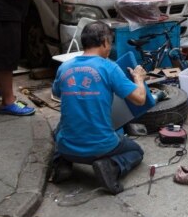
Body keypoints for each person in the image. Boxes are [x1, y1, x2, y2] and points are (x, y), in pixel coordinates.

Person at [51, 21, 148, 194]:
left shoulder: (64, 67)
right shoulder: (109, 67)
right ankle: (112, 167)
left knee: (59, 129)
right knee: (136, 151)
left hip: (67, 147)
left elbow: (57, 93)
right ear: (104, 42)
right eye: (110, 43)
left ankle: (61, 163)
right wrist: (139, 78)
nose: (110, 47)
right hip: (101, 149)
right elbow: (140, 99)